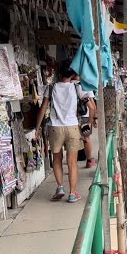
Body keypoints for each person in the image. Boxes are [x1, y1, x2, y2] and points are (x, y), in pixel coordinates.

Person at [34, 66, 87, 203]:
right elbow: (90, 103)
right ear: (73, 74)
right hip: (72, 127)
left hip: (55, 128)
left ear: (58, 73)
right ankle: (72, 193)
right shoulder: (77, 88)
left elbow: (43, 108)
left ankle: (60, 187)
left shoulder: (51, 88)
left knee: (57, 159)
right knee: (72, 162)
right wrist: (92, 119)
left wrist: (37, 127)